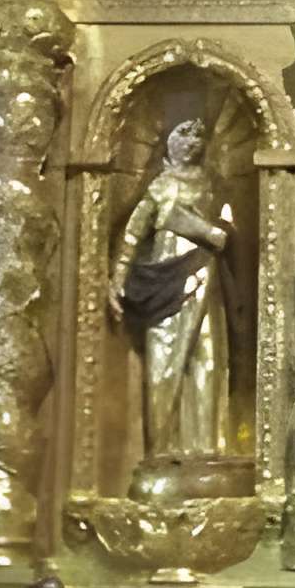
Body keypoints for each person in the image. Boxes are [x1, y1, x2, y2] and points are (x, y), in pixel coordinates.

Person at [107, 116, 234, 467]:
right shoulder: (160, 187)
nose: (192, 141)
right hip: (164, 283)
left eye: (199, 134)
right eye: (183, 132)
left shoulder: (213, 185)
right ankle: (162, 449)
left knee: (206, 361)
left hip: (204, 281)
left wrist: (214, 233)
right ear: (167, 140)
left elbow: (228, 227)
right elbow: (132, 234)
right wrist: (118, 277)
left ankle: (206, 448)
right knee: (164, 363)